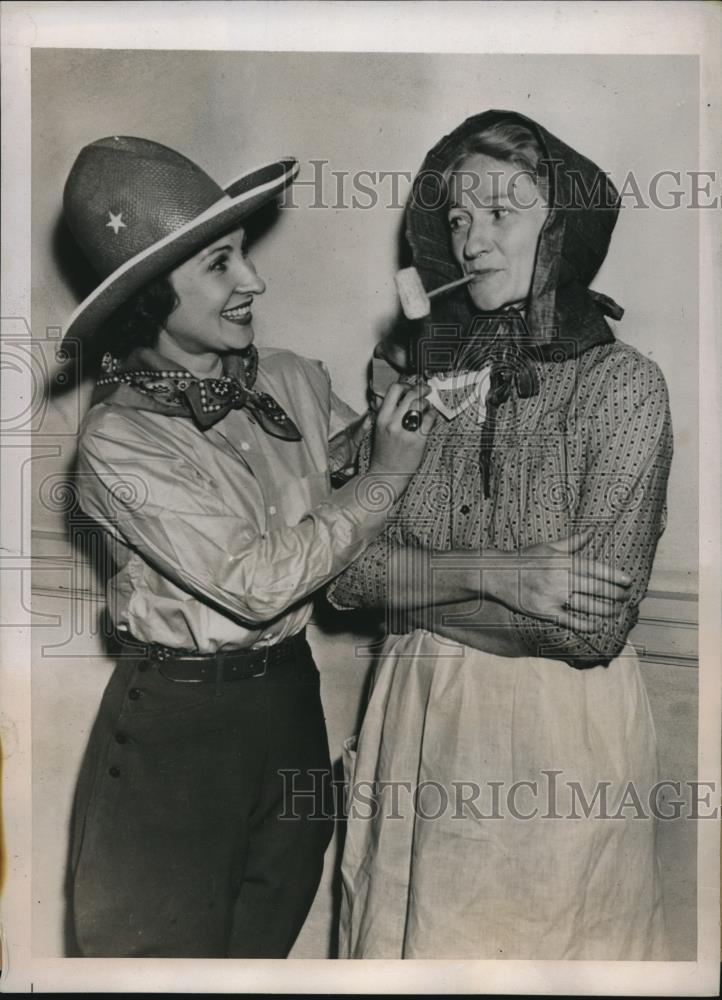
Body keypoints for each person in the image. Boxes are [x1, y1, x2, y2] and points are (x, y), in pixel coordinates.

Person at [61, 135, 433, 958]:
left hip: (289, 704)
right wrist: (385, 476)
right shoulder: (118, 441)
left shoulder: (291, 377)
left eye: (243, 258)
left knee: (262, 954)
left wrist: (399, 410)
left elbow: (366, 483)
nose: (254, 280)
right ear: (154, 297)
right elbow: (260, 582)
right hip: (180, 732)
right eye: (221, 265)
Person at [328, 110, 673, 960]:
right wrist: (497, 572)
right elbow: (341, 576)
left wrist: (414, 591)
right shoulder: (427, 390)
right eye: (456, 218)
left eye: (500, 213)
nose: (471, 240)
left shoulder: (623, 387)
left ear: (562, 229)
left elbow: (586, 629)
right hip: (412, 720)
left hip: (555, 738)